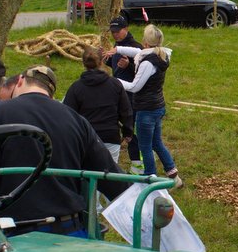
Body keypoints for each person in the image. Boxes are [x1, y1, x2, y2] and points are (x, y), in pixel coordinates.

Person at [0, 65, 126, 236]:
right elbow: (111, 177)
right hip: (70, 230)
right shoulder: (76, 120)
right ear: (51, 93)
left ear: (19, 81)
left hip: (15, 231)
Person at [112, 24, 182, 188]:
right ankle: (172, 172)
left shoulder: (147, 64)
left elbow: (135, 87)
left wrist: (115, 81)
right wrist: (117, 50)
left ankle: (150, 179)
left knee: (145, 146)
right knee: (157, 142)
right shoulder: (160, 54)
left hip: (146, 110)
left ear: (145, 41)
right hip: (157, 106)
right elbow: (137, 53)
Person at [63, 47, 133, 164]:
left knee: (86, 176)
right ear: (101, 62)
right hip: (110, 138)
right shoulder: (115, 84)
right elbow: (125, 111)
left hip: (86, 139)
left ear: (83, 63)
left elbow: (68, 115)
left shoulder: (76, 88)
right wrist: (128, 132)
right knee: (109, 177)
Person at [104, 16, 143, 172]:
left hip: (132, 96)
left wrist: (129, 65)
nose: (115, 35)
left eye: (117, 31)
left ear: (126, 28)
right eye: (112, 32)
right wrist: (105, 58)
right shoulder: (117, 45)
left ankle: (137, 164)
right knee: (119, 126)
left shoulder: (136, 47)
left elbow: (143, 72)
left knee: (130, 129)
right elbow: (115, 66)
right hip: (117, 93)